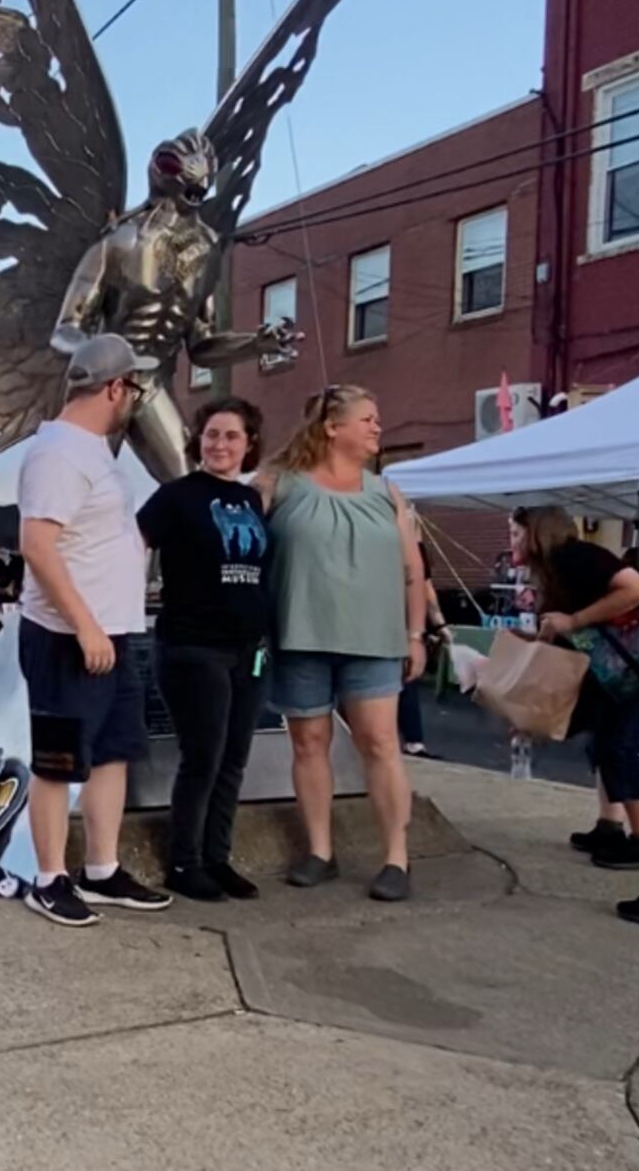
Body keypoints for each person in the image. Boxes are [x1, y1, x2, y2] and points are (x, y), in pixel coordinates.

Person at [17, 333, 170, 926]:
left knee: (112, 754)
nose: (135, 396)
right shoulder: (59, 452)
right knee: (57, 762)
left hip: (114, 630)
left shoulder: (93, 452)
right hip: (67, 636)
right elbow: (38, 545)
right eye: (133, 386)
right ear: (114, 387)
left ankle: (101, 870)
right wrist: (84, 627)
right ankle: (49, 876)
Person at [259, 385, 427, 903]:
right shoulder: (278, 483)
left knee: (380, 743)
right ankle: (320, 851)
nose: (378, 428)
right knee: (309, 744)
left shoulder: (385, 492)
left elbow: (411, 568)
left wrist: (416, 633)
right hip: (301, 634)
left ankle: (396, 858)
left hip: (375, 639)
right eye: (368, 419)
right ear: (333, 428)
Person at [137, 397, 273, 902]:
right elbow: (133, 544)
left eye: (231, 436)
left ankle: (218, 857)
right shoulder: (174, 497)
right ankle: (183, 861)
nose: (220, 444)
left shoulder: (253, 501)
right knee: (203, 757)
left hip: (248, 650)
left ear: (249, 443)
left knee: (235, 758)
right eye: (212, 435)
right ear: (198, 441)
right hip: (193, 647)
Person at [511, 507, 639, 914]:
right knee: (605, 747)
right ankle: (611, 829)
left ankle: (635, 840)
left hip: (634, 671)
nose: (511, 541)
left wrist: (574, 620)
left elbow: (635, 589)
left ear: (536, 533)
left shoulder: (574, 556)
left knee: (620, 752)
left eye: (516, 533)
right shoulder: (557, 570)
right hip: (621, 675)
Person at [396, 540, 447, 757]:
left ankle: (412, 742)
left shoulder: (413, 549)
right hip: (388, 625)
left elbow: (425, 586)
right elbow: (427, 589)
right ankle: (412, 742)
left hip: (401, 626)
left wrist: (438, 623)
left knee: (406, 683)